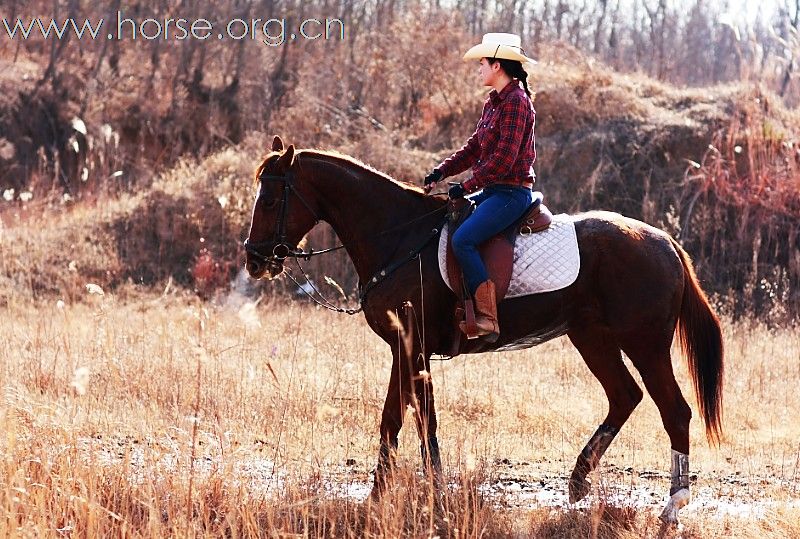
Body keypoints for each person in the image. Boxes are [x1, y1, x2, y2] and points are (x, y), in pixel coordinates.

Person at [424, 32, 537, 341]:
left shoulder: (517, 103)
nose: (479, 69)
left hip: (511, 192)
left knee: (463, 241)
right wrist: (441, 172)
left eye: (482, 64)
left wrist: (466, 185)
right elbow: (474, 148)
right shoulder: (494, 103)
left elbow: (503, 160)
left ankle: (487, 317)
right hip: (492, 190)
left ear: (497, 65)